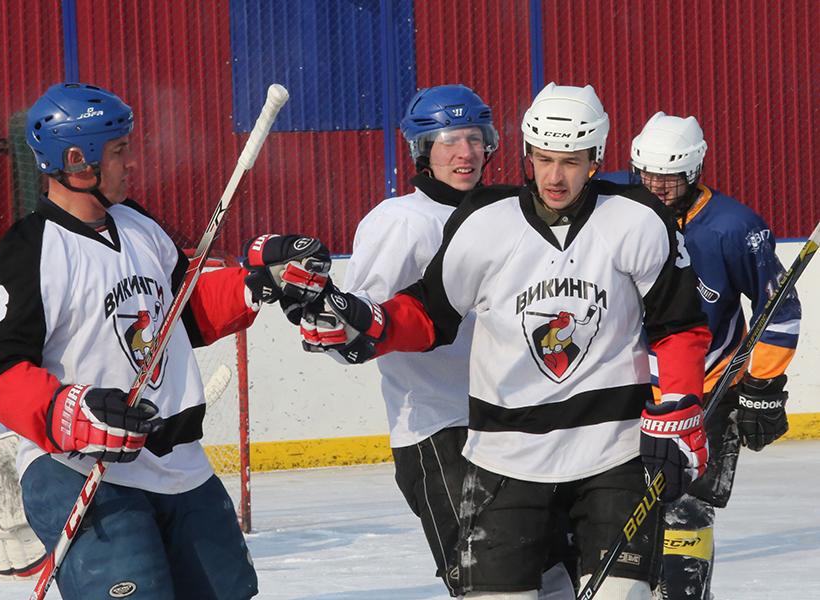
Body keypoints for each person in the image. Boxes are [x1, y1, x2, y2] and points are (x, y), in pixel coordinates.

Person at [297, 83, 713, 599]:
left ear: (596, 158)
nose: (555, 177)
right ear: (526, 154)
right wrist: (368, 324)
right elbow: (427, 314)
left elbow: (678, 326)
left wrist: (680, 405)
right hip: (502, 454)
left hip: (613, 451)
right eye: (544, 159)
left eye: (571, 161)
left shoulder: (637, 217)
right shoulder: (481, 221)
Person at [0, 82, 330, 600]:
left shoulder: (138, 224)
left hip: (178, 466)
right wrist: (70, 413)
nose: (130, 162)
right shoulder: (29, 250)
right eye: (118, 151)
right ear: (77, 160)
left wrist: (255, 283)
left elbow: (182, 312)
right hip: (81, 470)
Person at [330, 84, 572, 598]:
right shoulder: (402, 221)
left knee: (553, 568)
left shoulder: (508, 211)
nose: (465, 153)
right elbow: (359, 323)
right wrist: (330, 321)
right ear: (423, 151)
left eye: (474, 139)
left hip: (514, 419)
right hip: (440, 428)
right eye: (449, 141)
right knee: (484, 579)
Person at [627, 112, 801, 600]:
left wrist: (763, 387)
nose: (657, 186)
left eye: (671, 176)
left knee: (685, 510)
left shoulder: (733, 227)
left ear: (695, 170)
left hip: (708, 388)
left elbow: (779, 308)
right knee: (620, 509)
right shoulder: (619, 209)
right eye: (648, 174)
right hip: (629, 387)